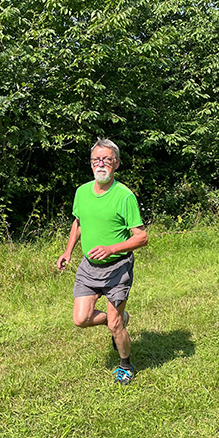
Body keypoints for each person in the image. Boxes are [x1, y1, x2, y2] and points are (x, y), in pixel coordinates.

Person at [56, 138, 148, 384]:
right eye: (96, 159)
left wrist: (111, 248)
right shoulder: (82, 192)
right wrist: (68, 252)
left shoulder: (124, 196)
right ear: (90, 164)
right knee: (81, 319)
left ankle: (125, 365)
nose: (101, 164)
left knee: (114, 325)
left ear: (116, 163)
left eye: (107, 159)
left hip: (117, 268)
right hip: (88, 267)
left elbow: (141, 237)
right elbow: (78, 223)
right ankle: (119, 318)